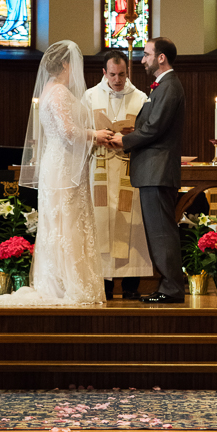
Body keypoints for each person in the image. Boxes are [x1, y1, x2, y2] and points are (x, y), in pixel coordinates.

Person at [0, 41, 113, 308]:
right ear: (64, 64)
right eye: (75, 63)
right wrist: (95, 134)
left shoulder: (51, 90)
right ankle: (66, 285)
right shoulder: (59, 92)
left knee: (61, 222)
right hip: (62, 167)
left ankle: (59, 282)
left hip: (62, 164)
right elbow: (68, 132)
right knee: (66, 223)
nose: (78, 70)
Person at [110, 37, 186, 304]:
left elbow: (155, 128)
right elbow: (154, 125)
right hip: (153, 170)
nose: (142, 59)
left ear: (161, 58)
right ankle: (168, 284)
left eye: (146, 54)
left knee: (162, 231)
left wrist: (125, 141)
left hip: (158, 170)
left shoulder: (169, 87)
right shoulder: (162, 87)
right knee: (158, 231)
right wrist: (134, 133)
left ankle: (173, 288)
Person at [84, 48, 152, 300]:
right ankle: (105, 284)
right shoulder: (90, 96)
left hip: (128, 169)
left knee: (131, 225)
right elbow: (79, 131)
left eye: (122, 74)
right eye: (112, 74)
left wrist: (127, 138)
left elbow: (148, 133)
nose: (118, 80)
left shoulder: (141, 98)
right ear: (104, 72)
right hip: (99, 168)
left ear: (128, 72)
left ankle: (131, 283)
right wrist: (96, 136)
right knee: (101, 224)